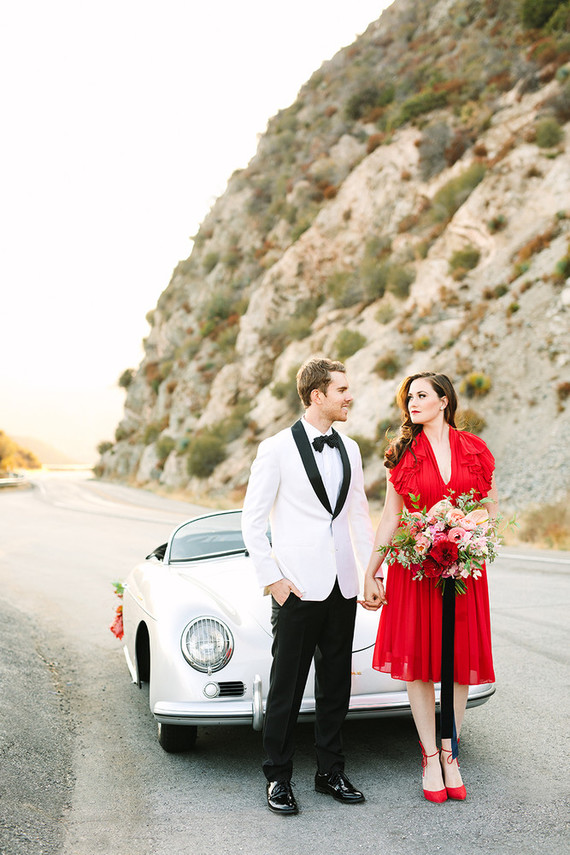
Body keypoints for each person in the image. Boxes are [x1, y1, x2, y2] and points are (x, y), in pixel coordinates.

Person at [242, 356, 374, 815]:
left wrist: (369, 571)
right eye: (341, 390)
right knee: (287, 688)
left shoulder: (352, 449)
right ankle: (278, 778)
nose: (349, 396)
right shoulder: (275, 448)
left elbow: (357, 514)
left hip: (342, 585)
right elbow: (252, 521)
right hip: (296, 588)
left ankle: (330, 772)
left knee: (337, 685)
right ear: (317, 395)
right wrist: (273, 581)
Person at [362, 372, 498, 803]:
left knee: (456, 665)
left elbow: (490, 509)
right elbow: (389, 519)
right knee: (419, 664)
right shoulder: (403, 454)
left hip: (462, 571)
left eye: (421, 395)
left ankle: (451, 752)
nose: (412, 403)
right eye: (409, 397)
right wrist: (372, 570)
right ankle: (428, 758)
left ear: (443, 400)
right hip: (416, 572)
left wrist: (464, 531)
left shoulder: (475, 450)